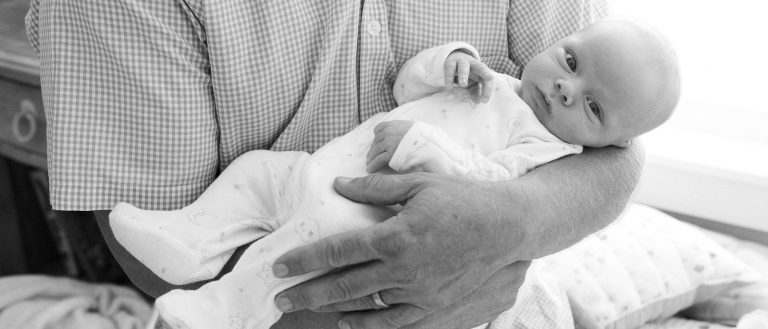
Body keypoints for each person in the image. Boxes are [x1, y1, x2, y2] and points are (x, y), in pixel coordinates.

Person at [26, 1, 646, 328]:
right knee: (258, 186)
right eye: (567, 68)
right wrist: (405, 306)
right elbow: (148, 264)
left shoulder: (548, 127)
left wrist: (507, 224)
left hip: (485, 297)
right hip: (292, 277)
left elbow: (618, 146)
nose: (567, 89)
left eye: (585, 100)